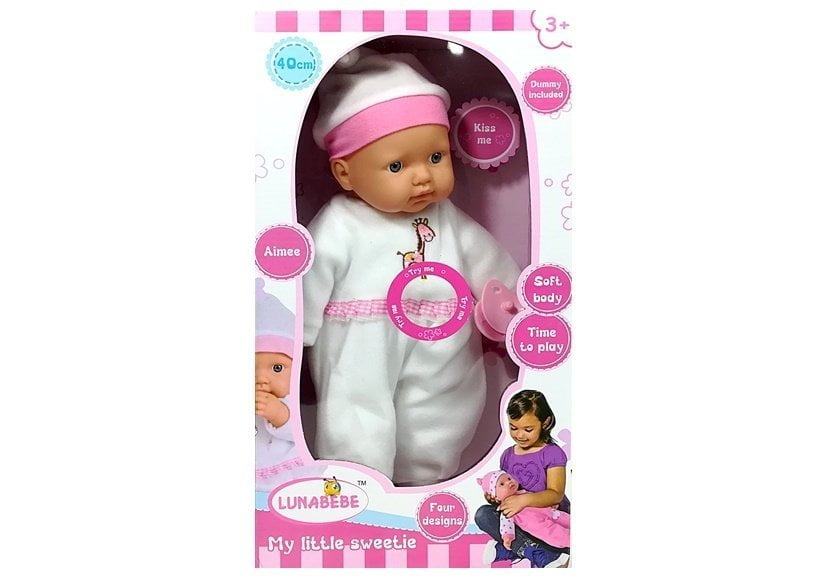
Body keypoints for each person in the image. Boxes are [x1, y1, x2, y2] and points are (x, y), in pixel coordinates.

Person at [303, 49, 519, 485]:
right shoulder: (339, 224)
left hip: (442, 335)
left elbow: (488, 260)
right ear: (345, 173)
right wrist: (296, 336)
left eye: (436, 158)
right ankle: (358, 483)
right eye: (397, 165)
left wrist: (515, 308)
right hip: (360, 338)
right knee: (356, 405)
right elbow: (309, 276)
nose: (423, 177)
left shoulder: (447, 218)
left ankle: (426, 481)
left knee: (443, 404)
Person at [475, 390, 571, 568]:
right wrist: (494, 497)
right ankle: (537, 553)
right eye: (513, 428)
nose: (519, 435)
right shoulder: (507, 455)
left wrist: (524, 500)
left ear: (545, 422)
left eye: (528, 429)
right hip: (522, 521)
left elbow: (556, 495)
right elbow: (505, 490)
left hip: (550, 518)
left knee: (560, 534)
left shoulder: (552, 453)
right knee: (483, 514)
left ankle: (512, 550)